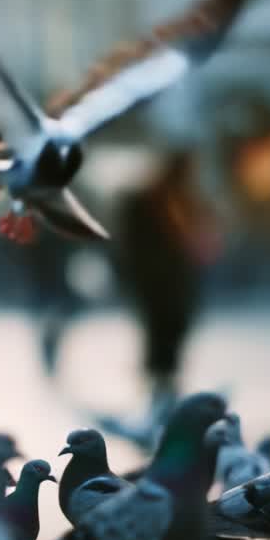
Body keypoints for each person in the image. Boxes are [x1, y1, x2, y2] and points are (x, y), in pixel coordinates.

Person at [100, 149, 219, 449]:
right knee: (159, 334)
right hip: (156, 282)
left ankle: (165, 390)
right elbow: (131, 245)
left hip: (173, 282)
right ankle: (160, 392)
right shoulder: (149, 200)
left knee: (172, 331)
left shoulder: (181, 200)